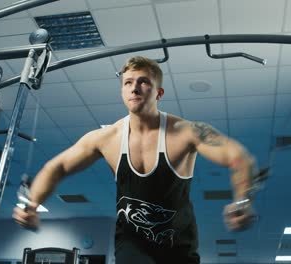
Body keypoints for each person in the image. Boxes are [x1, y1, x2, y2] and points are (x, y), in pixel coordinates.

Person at [13, 56, 258, 264]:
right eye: (128, 82)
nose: (134, 88)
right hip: (131, 247)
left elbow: (239, 157)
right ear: (122, 91)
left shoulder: (186, 132)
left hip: (178, 248)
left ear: (158, 92)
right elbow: (56, 167)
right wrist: (32, 205)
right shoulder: (105, 138)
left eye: (143, 82)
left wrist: (243, 200)